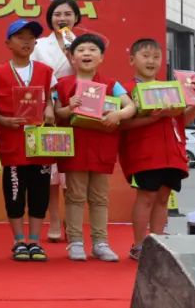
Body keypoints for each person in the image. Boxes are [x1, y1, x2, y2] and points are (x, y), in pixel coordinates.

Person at [119, 38, 195, 260]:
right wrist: (151, 118)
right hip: (144, 153)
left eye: (156, 57)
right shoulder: (126, 90)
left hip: (172, 154)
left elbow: (181, 120)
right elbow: (122, 124)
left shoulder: (172, 89)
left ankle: (157, 244)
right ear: (132, 60)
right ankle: (139, 246)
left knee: (162, 198)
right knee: (146, 197)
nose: (151, 61)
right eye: (145, 56)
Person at [53, 34, 135, 262]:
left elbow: (131, 106)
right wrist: (69, 108)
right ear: (72, 58)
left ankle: (101, 243)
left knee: (100, 197)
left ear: (101, 57)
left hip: (101, 146)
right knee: (75, 196)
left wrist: (118, 114)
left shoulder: (111, 84)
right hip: (75, 147)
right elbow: (56, 113)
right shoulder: (62, 85)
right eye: (81, 50)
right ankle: (75, 242)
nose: (86, 54)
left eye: (92, 50)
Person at [0, 19, 57, 261]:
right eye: (20, 37)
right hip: (13, 141)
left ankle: (35, 241)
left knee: (40, 193)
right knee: (15, 192)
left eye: (31, 37)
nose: (26, 42)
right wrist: (3, 120)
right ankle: (18, 241)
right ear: (8, 43)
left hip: (40, 143)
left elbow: (52, 98)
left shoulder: (46, 72)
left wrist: (50, 108)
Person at [31, 0, 84, 242]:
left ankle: (72, 222)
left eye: (67, 14)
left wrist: (71, 54)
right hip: (48, 109)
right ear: (50, 18)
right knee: (51, 171)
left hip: (75, 108)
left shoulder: (82, 44)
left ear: (76, 18)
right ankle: (53, 220)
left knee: (74, 171)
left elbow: (89, 74)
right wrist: (47, 105)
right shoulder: (40, 45)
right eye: (57, 14)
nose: (62, 18)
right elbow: (35, 76)